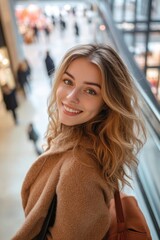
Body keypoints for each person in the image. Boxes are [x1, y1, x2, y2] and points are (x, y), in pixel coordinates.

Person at [12, 44, 146, 240]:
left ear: (107, 103)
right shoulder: (80, 139)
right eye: (68, 81)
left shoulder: (80, 169)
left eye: (90, 91)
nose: (70, 97)